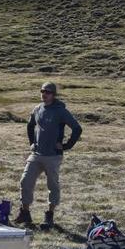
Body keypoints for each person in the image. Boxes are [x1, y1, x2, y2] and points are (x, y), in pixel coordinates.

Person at [16, 82, 82, 229]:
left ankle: (49, 216)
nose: (44, 94)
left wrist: (66, 146)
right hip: (36, 154)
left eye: (48, 92)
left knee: (53, 185)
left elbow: (77, 128)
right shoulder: (37, 109)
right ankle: (25, 213)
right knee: (25, 181)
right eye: (42, 91)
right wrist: (32, 143)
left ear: (53, 95)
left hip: (53, 156)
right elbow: (30, 125)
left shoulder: (61, 111)